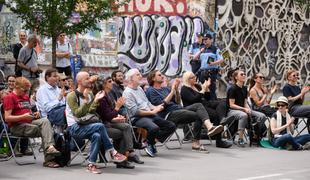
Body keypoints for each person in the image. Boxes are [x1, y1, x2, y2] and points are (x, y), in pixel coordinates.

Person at [146, 70, 226, 152]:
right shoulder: (151, 90)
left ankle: (198, 140)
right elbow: (161, 105)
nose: (162, 76)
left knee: (199, 111)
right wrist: (172, 91)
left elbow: (176, 101)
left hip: (178, 109)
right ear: (153, 78)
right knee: (199, 108)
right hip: (168, 114)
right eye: (159, 75)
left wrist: (176, 90)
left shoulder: (165, 89)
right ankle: (207, 129)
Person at [66, 71, 126, 174]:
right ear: (79, 81)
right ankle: (112, 151)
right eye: (86, 78)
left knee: (97, 135)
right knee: (100, 126)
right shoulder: (71, 96)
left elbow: (91, 112)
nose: (89, 80)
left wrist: (95, 101)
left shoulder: (89, 94)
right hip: (75, 127)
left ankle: (91, 164)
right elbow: (78, 114)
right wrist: (85, 101)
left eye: (89, 77)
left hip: (86, 125)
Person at [3, 77, 61, 168]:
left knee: (45, 122)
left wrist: (34, 114)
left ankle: (50, 148)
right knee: (46, 131)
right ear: (17, 87)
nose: (26, 92)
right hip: (17, 126)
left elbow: (27, 112)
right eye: (25, 90)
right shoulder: (9, 98)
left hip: (29, 122)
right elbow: (7, 118)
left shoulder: (25, 97)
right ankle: (49, 159)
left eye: (27, 90)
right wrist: (23, 117)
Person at [123, 69, 176, 157]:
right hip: (137, 118)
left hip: (149, 114)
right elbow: (135, 112)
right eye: (137, 75)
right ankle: (150, 143)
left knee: (171, 126)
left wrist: (155, 108)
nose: (140, 76)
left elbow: (147, 103)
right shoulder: (127, 93)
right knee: (154, 128)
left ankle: (149, 142)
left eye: (140, 74)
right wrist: (153, 111)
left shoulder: (139, 89)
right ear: (131, 78)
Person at [94, 76, 144, 169]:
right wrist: (117, 107)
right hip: (102, 125)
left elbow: (110, 114)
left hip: (108, 122)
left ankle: (128, 153)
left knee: (126, 126)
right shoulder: (101, 97)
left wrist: (117, 116)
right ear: (104, 85)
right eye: (109, 81)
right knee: (122, 133)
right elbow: (107, 116)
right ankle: (125, 157)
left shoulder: (107, 94)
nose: (112, 83)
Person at [180, 71, 232, 148]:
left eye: (195, 76)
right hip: (193, 108)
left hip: (204, 105)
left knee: (223, 102)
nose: (195, 78)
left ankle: (222, 119)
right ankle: (219, 140)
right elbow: (194, 100)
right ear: (187, 79)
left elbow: (207, 98)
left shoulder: (197, 86)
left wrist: (207, 89)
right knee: (215, 114)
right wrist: (203, 90)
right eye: (193, 77)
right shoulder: (184, 89)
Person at [226, 70, 267, 147]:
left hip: (242, 109)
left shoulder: (244, 88)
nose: (244, 75)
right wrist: (244, 109)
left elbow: (245, 103)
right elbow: (231, 105)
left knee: (262, 116)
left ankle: (255, 134)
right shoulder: (232, 89)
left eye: (244, 74)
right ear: (236, 77)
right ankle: (240, 138)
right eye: (241, 74)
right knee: (244, 115)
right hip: (232, 111)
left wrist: (248, 109)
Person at [198, 33, 224, 100]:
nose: (204, 41)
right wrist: (200, 52)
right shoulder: (202, 49)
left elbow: (221, 60)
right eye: (203, 39)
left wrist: (213, 63)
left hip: (211, 73)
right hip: (202, 73)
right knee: (203, 89)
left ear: (211, 40)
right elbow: (195, 58)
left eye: (206, 39)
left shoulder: (215, 49)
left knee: (211, 90)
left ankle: (213, 104)